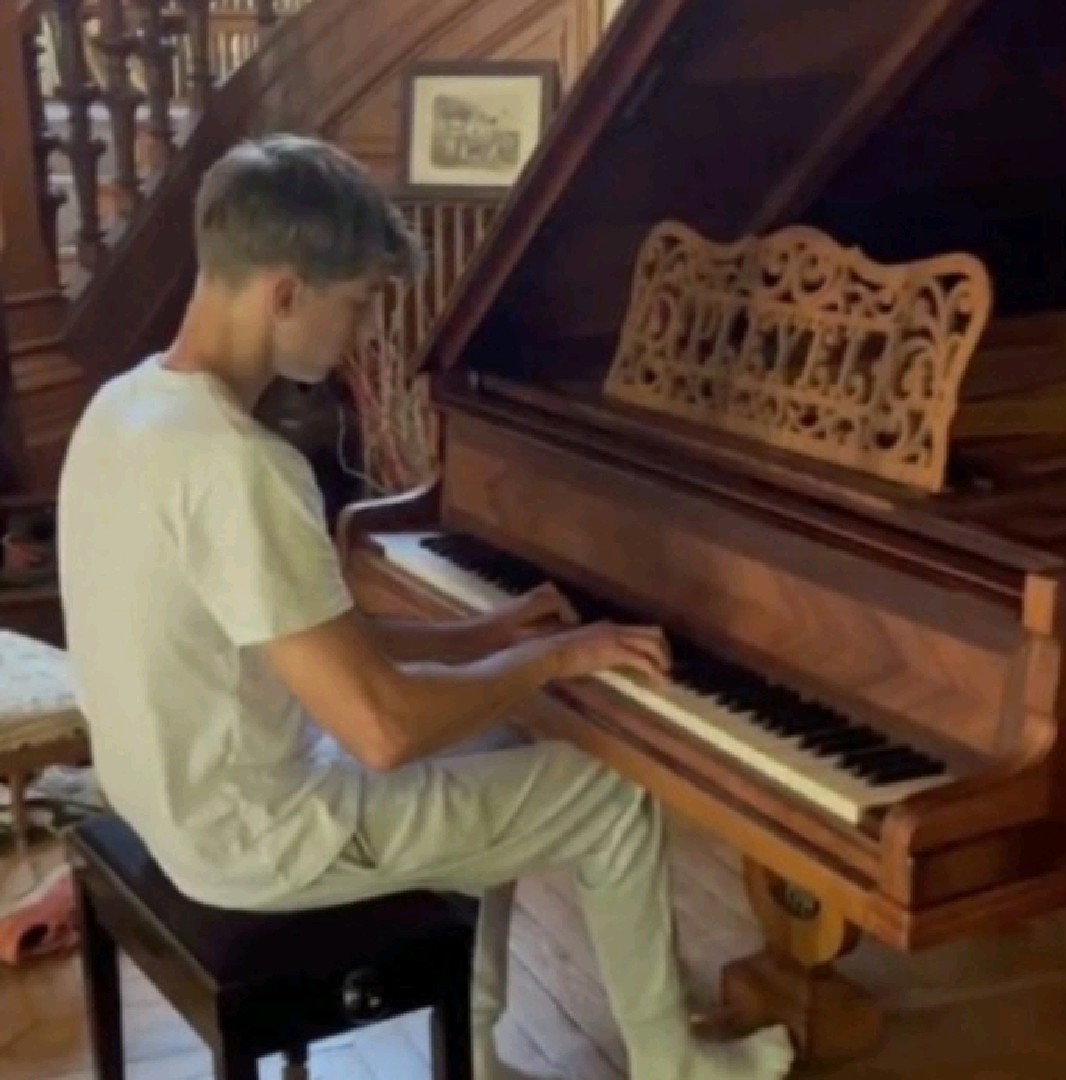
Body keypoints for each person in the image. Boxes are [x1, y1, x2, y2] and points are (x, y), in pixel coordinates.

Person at [57, 134, 793, 1080]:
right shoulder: (238, 464)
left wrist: (487, 631)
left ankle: (472, 1046)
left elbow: (311, 644)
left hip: (178, 802)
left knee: (500, 745)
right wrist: (558, 658)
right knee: (614, 796)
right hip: (258, 838)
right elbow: (382, 731)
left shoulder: (124, 408)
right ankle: (673, 1064)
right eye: (360, 302)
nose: (366, 333)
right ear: (284, 294)